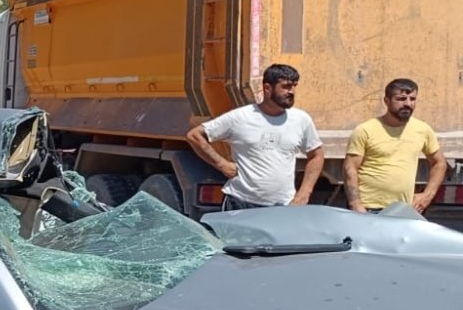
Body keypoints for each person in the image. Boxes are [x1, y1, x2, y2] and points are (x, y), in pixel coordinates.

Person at [186, 63, 324, 210]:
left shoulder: (301, 120)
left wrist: (304, 194)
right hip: (241, 203)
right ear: (267, 88)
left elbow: (316, 155)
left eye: (294, 86)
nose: (292, 92)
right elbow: (194, 135)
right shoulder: (240, 117)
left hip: (283, 206)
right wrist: (221, 163)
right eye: (286, 87)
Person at [344, 78, 447, 214]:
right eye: (401, 99)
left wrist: (427, 195)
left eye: (412, 99)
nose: (408, 104)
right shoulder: (365, 130)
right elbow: (350, 167)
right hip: (368, 209)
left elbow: (439, 163)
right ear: (386, 101)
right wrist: (355, 204)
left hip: (403, 210)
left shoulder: (422, 129)